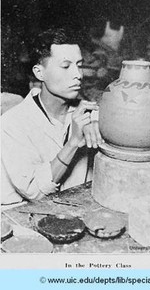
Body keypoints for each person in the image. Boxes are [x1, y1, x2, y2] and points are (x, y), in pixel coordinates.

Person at [1, 28, 102, 205]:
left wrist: (102, 129)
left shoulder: (91, 114)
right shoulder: (12, 123)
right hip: (25, 219)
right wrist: (73, 143)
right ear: (39, 73)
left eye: (79, 65)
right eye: (65, 66)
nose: (78, 75)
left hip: (77, 214)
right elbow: (35, 193)